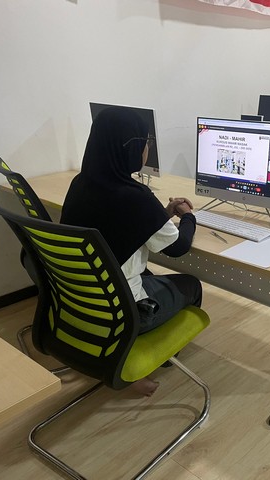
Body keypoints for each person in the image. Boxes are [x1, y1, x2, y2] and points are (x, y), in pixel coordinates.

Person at [61, 106, 202, 397]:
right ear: (132, 149)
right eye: (145, 142)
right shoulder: (136, 197)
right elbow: (178, 247)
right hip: (123, 311)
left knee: (147, 272)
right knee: (192, 285)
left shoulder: (81, 183)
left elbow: (118, 226)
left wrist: (160, 215)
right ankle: (146, 358)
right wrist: (188, 217)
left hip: (80, 301)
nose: (147, 148)